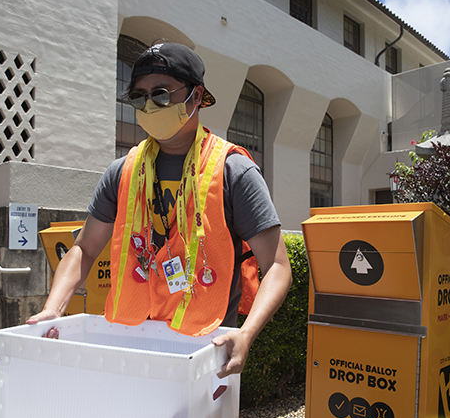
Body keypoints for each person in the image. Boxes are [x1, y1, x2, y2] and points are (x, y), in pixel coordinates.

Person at [27, 42, 292, 378]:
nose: (149, 105)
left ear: (196, 97)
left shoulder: (232, 171)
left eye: (162, 94)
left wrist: (247, 333)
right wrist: (53, 308)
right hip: (130, 343)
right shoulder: (122, 171)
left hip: (204, 347)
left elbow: (277, 265)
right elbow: (84, 247)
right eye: (139, 96)